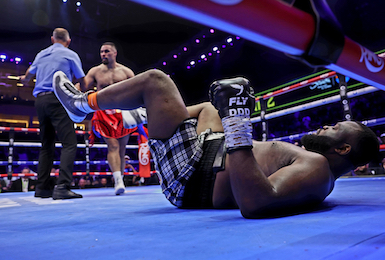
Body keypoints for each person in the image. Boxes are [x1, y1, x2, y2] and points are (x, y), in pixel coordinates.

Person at [52, 69, 379, 218]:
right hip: (206, 158)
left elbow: (256, 203)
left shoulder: (318, 168)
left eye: (335, 127)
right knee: (209, 108)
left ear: (344, 149)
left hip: (195, 179)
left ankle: (84, 105)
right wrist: (229, 120)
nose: (325, 126)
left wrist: (237, 120)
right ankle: (131, 119)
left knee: (156, 81)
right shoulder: (316, 168)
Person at [20, 28, 85, 200]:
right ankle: (62, 186)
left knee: (46, 145)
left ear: (52, 39)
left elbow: (27, 76)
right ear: (68, 41)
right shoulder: (70, 54)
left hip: (40, 101)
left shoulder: (41, 54)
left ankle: (42, 188)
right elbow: (81, 79)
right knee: (69, 143)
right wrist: (79, 91)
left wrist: (23, 80)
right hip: (58, 99)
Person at [81, 42, 139, 195]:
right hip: (104, 112)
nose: (103, 54)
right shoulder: (96, 71)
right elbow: (83, 86)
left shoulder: (126, 72)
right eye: (101, 52)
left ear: (114, 53)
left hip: (123, 112)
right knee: (112, 146)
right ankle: (118, 180)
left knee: (122, 149)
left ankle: (120, 180)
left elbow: (137, 90)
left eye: (106, 51)